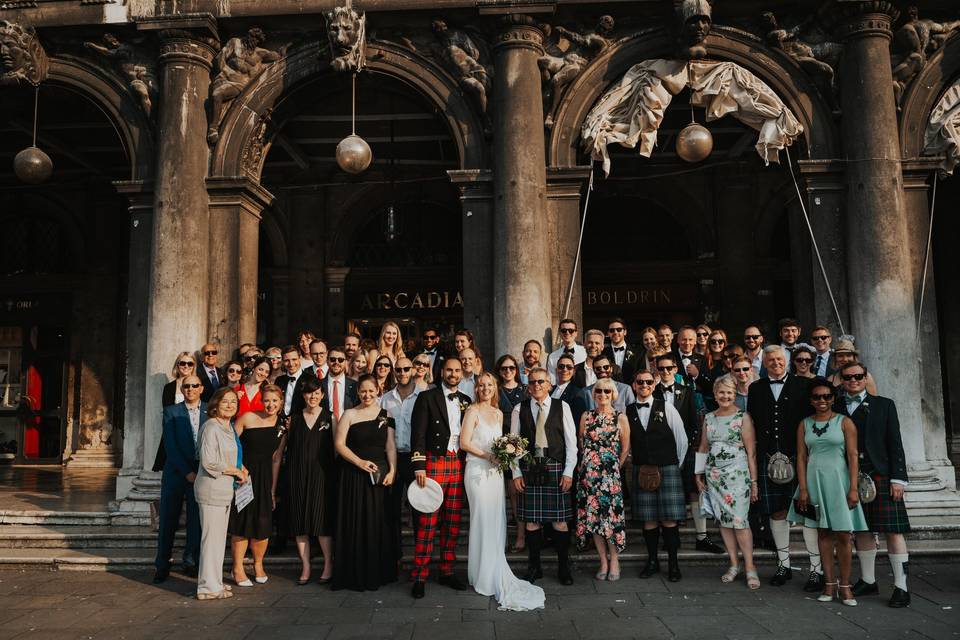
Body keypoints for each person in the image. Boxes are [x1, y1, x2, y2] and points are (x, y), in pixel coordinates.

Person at [460, 372, 546, 610]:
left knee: (496, 519)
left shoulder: (498, 414)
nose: (485, 388)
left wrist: (505, 454)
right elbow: (464, 443)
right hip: (478, 472)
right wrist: (489, 456)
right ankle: (481, 575)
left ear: (494, 388)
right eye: (481, 385)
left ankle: (492, 569)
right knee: (481, 519)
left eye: (489, 385)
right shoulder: (472, 411)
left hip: (496, 474)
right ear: (476, 389)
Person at [836, 362, 912, 608]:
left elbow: (895, 443)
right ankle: (868, 580)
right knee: (862, 530)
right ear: (842, 380)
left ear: (865, 377)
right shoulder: (835, 407)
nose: (853, 381)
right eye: (848, 377)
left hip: (880, 475)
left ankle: (901, 586)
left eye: (858, 376)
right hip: (850, 477)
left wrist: (898, 478)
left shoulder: (884, 405)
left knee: (893, 531)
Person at [788, 378, 868, 606]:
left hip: (839, 481)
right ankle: (829, 584)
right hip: (814, 481)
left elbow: (853, 457)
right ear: (811, 400)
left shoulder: (845, 423)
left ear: (833, 398)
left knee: (844, 535)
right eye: (817, 397)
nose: (822, 400)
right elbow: (801, 457)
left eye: (827, 396)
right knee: (822, 534)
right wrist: (802, 488)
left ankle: (845, 586)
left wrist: (853, 488)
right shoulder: (804, 424)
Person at [747, 345, 817, 589]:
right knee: (777, 511)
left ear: (786, 360)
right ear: (764, 364)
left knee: (808, 513)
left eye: (779, 359)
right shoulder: (756, 389)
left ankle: (816, 570)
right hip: (768, 457)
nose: (775, 363)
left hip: (799, 457)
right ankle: (783, 565)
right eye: (770, 360)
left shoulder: (804, 386)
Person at [410, 357, 471, 598]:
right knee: (427, 522)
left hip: (457, 464)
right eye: (449, 370)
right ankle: (419, 576)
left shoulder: (466, 401)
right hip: (433, 463)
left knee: (452, 522)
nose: (453, 373)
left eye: (457, 370)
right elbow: (418, 433)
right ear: (442, 372)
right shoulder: (427, 397)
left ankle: (447, 571)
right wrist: (419, 465)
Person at [511, 367, 578, 586]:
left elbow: (571, 443)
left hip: (556, 467)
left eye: (541, 381)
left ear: (549, 384)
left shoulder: (562, 406)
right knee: (532, 522)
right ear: (527, 386)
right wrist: (516, 472)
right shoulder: (518, 409)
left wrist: (569, 471)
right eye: (532, 382)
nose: (536, 385)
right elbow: (513, 445)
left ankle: (563, 567)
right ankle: (534, 567)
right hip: (530, 469)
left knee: (560, 522)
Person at [333, 374, 398, 591]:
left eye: (371, 391)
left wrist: (393, 470)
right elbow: (339, 444)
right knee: (355, 521)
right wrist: (359, 462)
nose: (367, 395)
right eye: (363, 391)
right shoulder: (349, 414)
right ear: (357, 392)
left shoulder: (387, 414)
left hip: (379, 475)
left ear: (378, 390)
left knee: (377, 521)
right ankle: (353, 572)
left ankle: (377, 572)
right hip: (353, 475)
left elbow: (390, 445)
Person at [654, 354, 723, 554]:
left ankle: (702, 537)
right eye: (661, 368)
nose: (665, 372)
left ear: (675, 370)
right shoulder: (653, 392)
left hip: (689, 448)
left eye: (669, 368)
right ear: (657, 370)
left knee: (695, 490)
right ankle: (669, 537)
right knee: (666, 494)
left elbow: (696, 424)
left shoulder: (688, 392)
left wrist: (688, 448)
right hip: (661, 452)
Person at [696, 375, 760, 589]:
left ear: (735, 394)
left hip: (738, 478)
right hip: (714, 477)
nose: (725, 396)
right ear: (715, 394)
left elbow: (751, 453)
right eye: (721, 392)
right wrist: (698, 475)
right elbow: (703, 447)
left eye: (729, 392)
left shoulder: (743, 417)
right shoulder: (708, 418)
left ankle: (750, 567)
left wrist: (754, 482)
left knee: (740, 522)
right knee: (724, 522)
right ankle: (734, 564)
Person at [628, 370, 687, 581]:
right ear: (634, 385)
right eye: (639, 382)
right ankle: (652, 562)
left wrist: (673, 466)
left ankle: (673, 564)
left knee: (669, 520)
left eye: (648, 382)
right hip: (642, 470)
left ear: (654, 385)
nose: (644, 385)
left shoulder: (667, 407)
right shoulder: (626, 412)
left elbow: (682, 440)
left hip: (668, 468)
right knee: (648, 520)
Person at [281, 376, 336, 585]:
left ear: (322, 394)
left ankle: (328, 565)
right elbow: (282, 451)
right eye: (308, 393)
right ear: (302, 395)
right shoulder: (292, 419)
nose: (312, 396)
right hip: (297, 475)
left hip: (322, 476)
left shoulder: (330, 417)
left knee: (322, 523)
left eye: (316, 393)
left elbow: (336, 450)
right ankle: (305, 566)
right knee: (299, 524)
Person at [194, 387, 248, 600]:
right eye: (225, 401)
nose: (230, 405)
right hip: (211, 489)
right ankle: (206, 587)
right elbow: (208, 462)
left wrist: (242, 468)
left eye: (234, 401)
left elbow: (231, 456)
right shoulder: (211, 427)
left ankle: (215, 581)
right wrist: (234, 470)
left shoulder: (229, 427)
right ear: (215, 404)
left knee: (218, 540)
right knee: (210, 539)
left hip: (225, 491)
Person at [227, 384, 282, 587]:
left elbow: (276, 458)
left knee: (263, 523)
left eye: (275, 401)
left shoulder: (282, 424)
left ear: (281, 402)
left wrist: (273, 489)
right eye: (267, 400)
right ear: (261, 400)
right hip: (245, 477)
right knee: (242, 523)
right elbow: (229, 443)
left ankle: (258, 565)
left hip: (266, 478)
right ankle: (238, 568)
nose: (270, 404)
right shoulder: (247, 417)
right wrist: (240, 468)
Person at [576, 378, 630, 581]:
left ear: (613, 394)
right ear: (594, 393)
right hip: (589, 476)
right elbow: (582, 444)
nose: (602, 394)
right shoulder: (586, 416)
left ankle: (615, 560)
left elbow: (625, 449)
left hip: (610, 477)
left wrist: (614, 467)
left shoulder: (620, 417)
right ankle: (603, 561)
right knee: (594, 520)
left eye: (607, 391)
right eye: (598, 390)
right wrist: (589, 465)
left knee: (611, 520)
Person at [154, 374, 204, 584]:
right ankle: (162, 564)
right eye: (186, 386)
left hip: (201, 474)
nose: (190, 389)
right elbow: (170, 447)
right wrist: (187, 473)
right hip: (176, 473)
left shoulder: (210, 410)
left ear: (201, 388)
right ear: (182, 390)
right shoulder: (171, 412)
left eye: (194, 385)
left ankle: (191, 562)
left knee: (196, 521)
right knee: (168, 520)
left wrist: (200, 472)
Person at [381, 357, 422, 557]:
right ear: (394, 372)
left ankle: (419, 557)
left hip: (416, 459)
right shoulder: (385, 399)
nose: (402, 372)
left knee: (418, 509)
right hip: (392, 458)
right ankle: (393, 556)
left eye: (406, 368)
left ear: (413, 370)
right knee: (391, 510)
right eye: (398, 369)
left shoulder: (424, 396)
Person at [494, 353, 527, 552]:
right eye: (504, 368)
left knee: (518, 492)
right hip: (498, 445)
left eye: (511, 368)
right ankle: (501, 539)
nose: (508, 372)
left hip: (520, 445)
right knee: (503, 494)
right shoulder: (495, 391)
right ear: (499, 371)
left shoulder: (525, 390)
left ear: (516, 370)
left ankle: (521, 536)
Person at [154, 352, 199, 472]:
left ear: (193, 366)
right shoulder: (169, 387)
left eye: (190, 363)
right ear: (177, 366)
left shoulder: (198, 385)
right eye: (182, 363)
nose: (186, 366)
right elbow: (167, 411)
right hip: (176, 430)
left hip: (195, 431)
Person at [552, 353, 590, 426]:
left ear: (573, 371)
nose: (565, 369)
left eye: (569, 367)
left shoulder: (577, 393)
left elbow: (577, 422)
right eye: (561, 366)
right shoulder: (549, 390)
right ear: (556, 370)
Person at [323, 347, 357, 422]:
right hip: (323, 430)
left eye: (340, 360)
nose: (336, 362)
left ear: (346, 362)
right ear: (327, 361)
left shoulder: (355, 385)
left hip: (349, 429)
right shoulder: (319, 385)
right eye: (332, 359)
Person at [275, 346, 310, 418]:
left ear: (300, 358)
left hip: (301, 422)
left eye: (294, 359)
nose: (291, 364)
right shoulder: (279, 380)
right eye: (286, 360)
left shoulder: (310, 380)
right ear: (282, 361)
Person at [604, 318, 640, 383]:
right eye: (612, 330)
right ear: (608, 333)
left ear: (625, 332)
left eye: (619, 329)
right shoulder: (603, 353)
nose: (615, 332)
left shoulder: (637, 352)